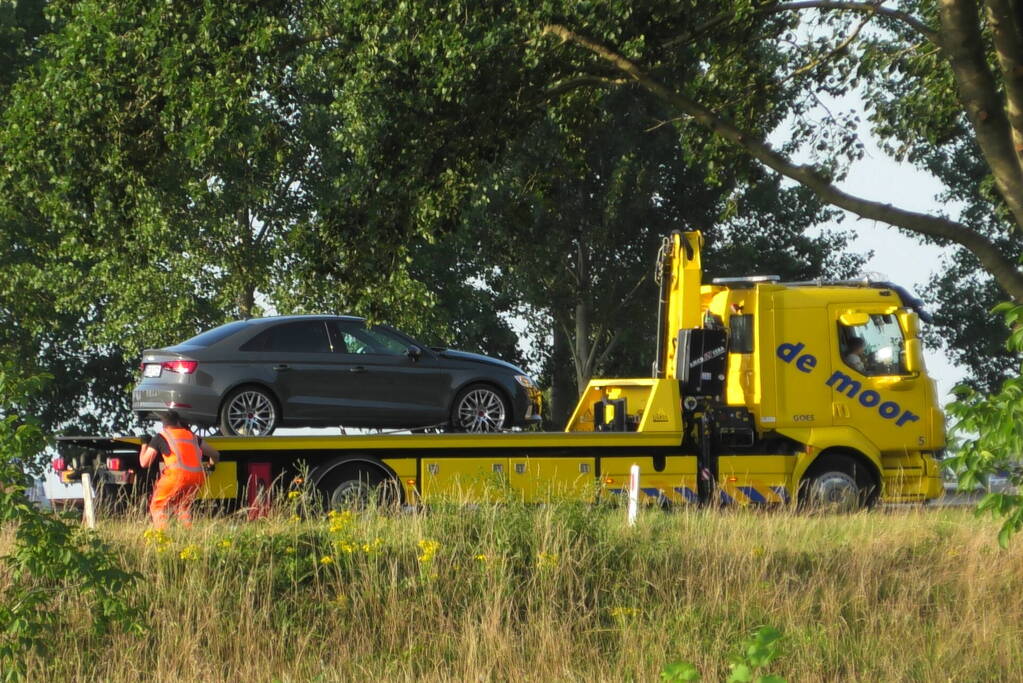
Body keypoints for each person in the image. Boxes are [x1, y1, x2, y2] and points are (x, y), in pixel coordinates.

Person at [139, 410, 219, 529]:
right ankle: (187, 532)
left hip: (176, 476)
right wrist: (211, 467)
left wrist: (144, 444)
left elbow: (144, 463)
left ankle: (163, 535)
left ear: (164, 425)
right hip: (197, 478)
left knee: (157, 506)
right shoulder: (193, 436)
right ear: (178, 422)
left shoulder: (161, 437)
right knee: (183, 506)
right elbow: (215, 454)